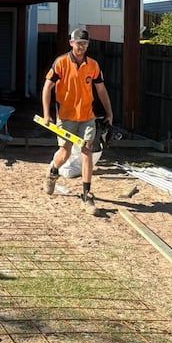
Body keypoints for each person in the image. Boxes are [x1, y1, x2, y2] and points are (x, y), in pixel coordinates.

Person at [41, 28, 113, 213]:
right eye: (78, 43)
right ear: (71, 43)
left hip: (87, 117)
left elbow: (101, 90)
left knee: (87, 151)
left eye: (85, 44)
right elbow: (47, 88)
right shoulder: (61, 63)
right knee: (64, 153)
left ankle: (86, 195)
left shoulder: (93, 65)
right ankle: (52, 172)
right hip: (65, 116)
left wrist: (109, 113)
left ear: (88, 45)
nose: (81, 47)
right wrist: (47, 114)